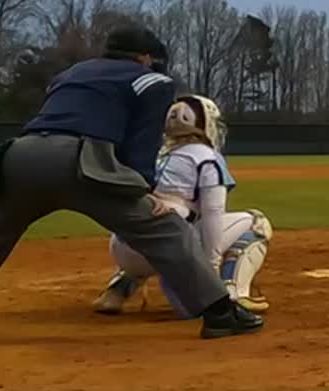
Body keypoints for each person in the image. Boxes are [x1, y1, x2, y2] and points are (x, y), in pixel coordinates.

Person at [0, 29, 263, 339]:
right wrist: (144, 189)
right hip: (80, 160)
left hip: (20, 155)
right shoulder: (152, 81)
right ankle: (219, 312)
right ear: (144, 58)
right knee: (164, 229)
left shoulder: (71, 73)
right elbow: (140, 143)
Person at [91, 94, 272, 317]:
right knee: (256, 222)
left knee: (149, 223)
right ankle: (234, 293)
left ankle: (117, 291)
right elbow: (213, 214)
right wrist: (210, 269)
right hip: (167, 247)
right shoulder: (207, 157)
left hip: (122, 248)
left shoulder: (153, 155)